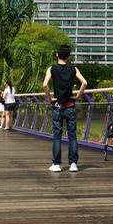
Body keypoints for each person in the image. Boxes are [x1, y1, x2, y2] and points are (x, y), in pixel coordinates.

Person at [43, 44, 87, 172]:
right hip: (70, 106)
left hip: (57, 106)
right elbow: (84, 83)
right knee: (72, 135)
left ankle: (56, 164)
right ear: (68, 56)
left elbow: (45, 85)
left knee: (57, 136)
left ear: (57, 54)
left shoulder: (52, 69)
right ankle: (73, 164)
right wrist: (78, 96)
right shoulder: (73, 69)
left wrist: (49, 99)